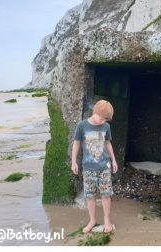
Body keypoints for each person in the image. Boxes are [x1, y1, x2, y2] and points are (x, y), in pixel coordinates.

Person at [71, 100, 118, 234]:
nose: (103, 121)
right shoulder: (82, 126)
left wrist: (114, 160)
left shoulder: (106, 127)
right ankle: (92, 220)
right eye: (101, 118)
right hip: (88, 168)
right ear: (94, 112)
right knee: (90, 195)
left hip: (104, 167)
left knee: (106, 194)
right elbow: (76, 144)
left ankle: (107, 220)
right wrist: (74, 162)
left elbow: (108, 143)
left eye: (105, 119)